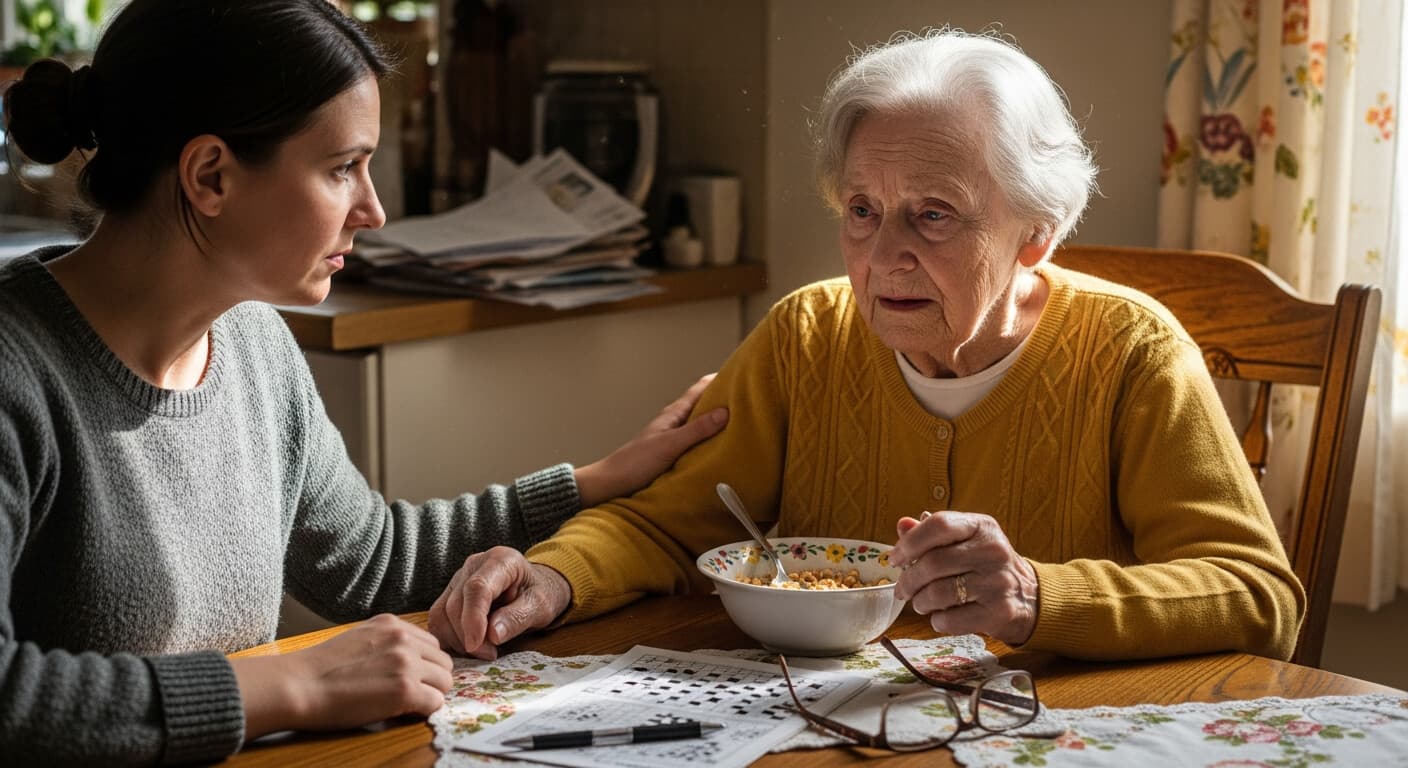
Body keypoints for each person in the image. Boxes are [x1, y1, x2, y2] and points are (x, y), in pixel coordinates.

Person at [434, 29, 1306, 665]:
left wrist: (1041, 596)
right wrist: (553, 578)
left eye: (933, 214)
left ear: (1036, 233)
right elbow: (661, 524)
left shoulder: (1132, 352)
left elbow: (1260, 597)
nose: (885, 255)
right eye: (862, 210)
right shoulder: (804, 335)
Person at [0, 1, 726, 765]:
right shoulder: (18, 373)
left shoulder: (252, 344)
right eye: (343, 167)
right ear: (210, 175)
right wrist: (296, 686)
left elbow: (372, 563)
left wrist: (596, 481)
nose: (374, 210)